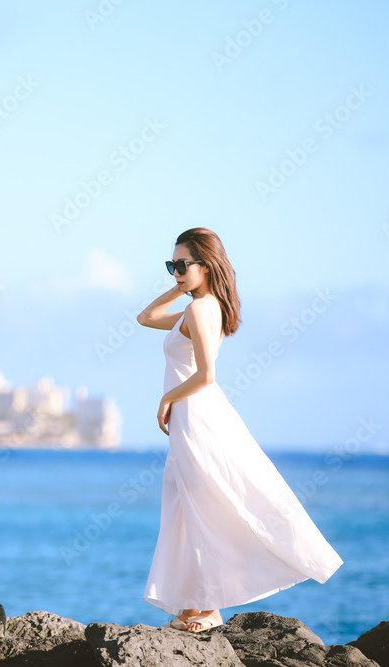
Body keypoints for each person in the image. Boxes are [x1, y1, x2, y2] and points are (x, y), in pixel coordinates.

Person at [137, 227, 343, 633]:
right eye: (171, 265)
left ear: (206, 265)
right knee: (188, 506)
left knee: (200, 508)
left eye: (182, 265)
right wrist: (183, 285)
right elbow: (145, 318)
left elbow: (207, 375)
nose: (176, 272)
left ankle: (209, 608)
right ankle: (193, 603)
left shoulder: (199, 310)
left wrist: (167, 399)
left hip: (195, 415)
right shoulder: (203, 306)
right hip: (194, 416)